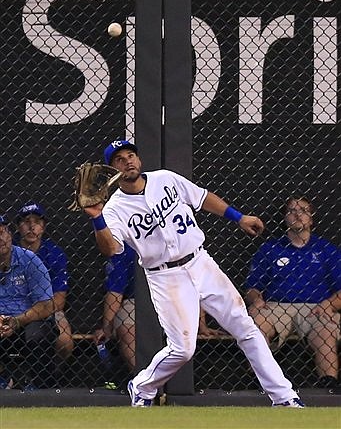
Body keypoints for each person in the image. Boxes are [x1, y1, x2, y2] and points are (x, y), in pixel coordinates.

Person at [82, 139, 304, 408]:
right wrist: (97, 217)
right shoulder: (114, 209)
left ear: (139, 160)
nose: (128, 161)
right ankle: (142, 385)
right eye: (119, 159)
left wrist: (238, 217)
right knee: (183, 349)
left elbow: (201, 197)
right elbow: (111, 249)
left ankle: (283, 397)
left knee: (246, 328)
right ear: (112, 169)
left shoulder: (165, 179)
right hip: (165, 276)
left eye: (131, 155)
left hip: (200, 262)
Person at [245, 196, 341, 389]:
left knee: (326, 331)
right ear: (285, 218)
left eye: (304, 210)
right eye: (291, 211)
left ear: (311, 219)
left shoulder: (326, 250)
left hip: (316, 307)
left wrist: (330, 304)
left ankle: (329, 386)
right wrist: (256, 301)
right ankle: (260, 384)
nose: (297, 214)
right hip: (276, 306)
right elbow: (252, 287)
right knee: (256, 324)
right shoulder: (270, 248)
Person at [0, 214, 56, 390]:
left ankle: (40, 386)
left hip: (28, 319)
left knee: (38, 334)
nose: (1, 238)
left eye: (3, 232)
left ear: (10, 235)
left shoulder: (29, 259)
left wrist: (17, 321)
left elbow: (47, 305)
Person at [15, 202, 74, 366]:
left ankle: (48, 378)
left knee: (65, 341)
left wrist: (35, 313)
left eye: (37, 222)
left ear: (44, 227)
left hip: (46, 308)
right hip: (10, 307)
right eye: (26, 221)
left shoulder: (54, 253)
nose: (31, 227)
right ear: (18, 226)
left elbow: (59, 299)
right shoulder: (7, 251)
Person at [94, 242, 136, 375]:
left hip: (165, 300)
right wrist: (107, 326)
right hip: (133, 301)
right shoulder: (125, 248)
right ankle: (146, 384)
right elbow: (115, 291)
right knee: (126, 330)